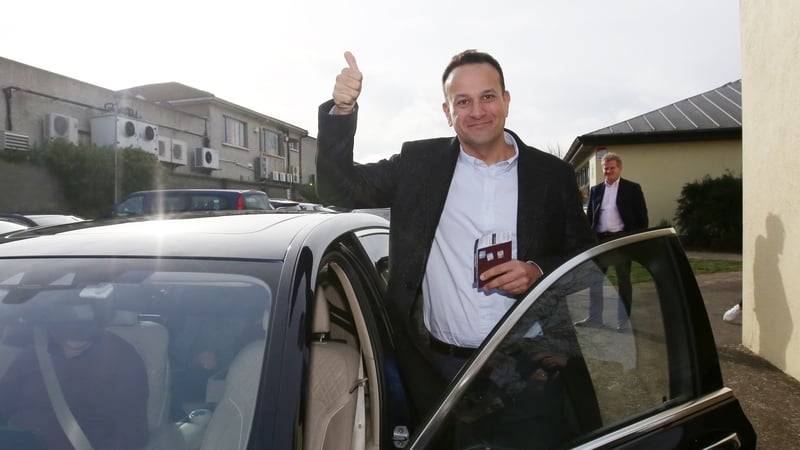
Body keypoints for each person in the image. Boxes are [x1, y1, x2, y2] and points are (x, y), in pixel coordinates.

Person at [316, 49, 595, 382]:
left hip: (530, 366)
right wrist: (342, 111)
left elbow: (586, 258)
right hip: (441, 369)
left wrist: (537, 272)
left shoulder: (552, 175)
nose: (477, 111)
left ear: (506, 101)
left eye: (488, 97)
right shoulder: (419, 165)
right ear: (448, 112)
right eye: (463, 102)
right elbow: (338, 190)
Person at [0, 301, 149, 450]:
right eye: (67, 325)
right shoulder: (35, 350)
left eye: (86, 326)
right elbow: (4, 403)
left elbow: (130, 435)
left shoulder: (122, 357)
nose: (76, 336)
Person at [575, 152, 648, 332]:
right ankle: (595, 319)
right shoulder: (596, 190)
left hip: (621, 240)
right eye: (605, 169)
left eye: (612, 168)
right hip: (600, 241)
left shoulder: (632, 189)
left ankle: (623, 323)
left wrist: (633, 240)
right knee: (595, 281)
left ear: (619, 168)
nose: (608, 172)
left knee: (623, 282)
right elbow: (591, 217)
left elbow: (642, 218)